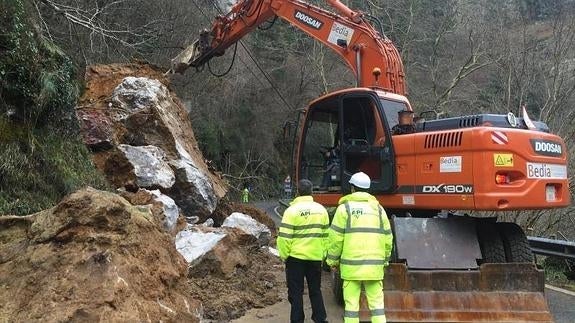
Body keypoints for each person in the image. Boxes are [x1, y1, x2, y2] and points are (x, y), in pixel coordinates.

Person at [326, 172, 394, 323]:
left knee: (351, 307)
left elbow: (335, 239)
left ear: (352, 189)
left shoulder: (345, 209)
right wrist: (385, 260)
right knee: (377, 306)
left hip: (351, 268)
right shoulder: (379, 210)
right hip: (374, 268)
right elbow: (388, 238)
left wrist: (332, 261)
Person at [277, 179, 329, 323]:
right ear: (312, 191)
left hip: (295, 259)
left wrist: (284, 256)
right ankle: (320, 319)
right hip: (315, 257)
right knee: (315, 290)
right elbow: (326, 236)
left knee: (296, 293)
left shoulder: (291, 211)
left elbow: (284, 237)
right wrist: (323, 254)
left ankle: (297, 320)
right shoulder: (321, 210)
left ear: (298, 192)